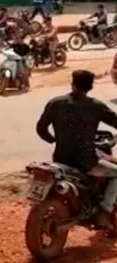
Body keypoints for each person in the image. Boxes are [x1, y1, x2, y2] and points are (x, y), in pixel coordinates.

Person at [36, 70, 117, 231]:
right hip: (86, 161)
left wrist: (54, 140)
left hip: (60, 158)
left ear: (72, 84)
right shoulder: (96, 106)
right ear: (91, 86)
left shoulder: (56, 103)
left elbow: (41, 128)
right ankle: (104, 211)